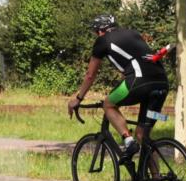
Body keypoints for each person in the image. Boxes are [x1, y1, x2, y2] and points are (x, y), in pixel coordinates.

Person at [67, 15, 170, 159]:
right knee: (142, 136)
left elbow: (90, 74)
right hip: (162, 82)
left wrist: (78, 99)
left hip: (139, 80)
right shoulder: (133, 33)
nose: (96, 35)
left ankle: (128, 140)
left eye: (96, 32)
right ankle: (156, 179)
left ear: (101, 31)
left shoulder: (102, 41)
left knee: (108, 104)